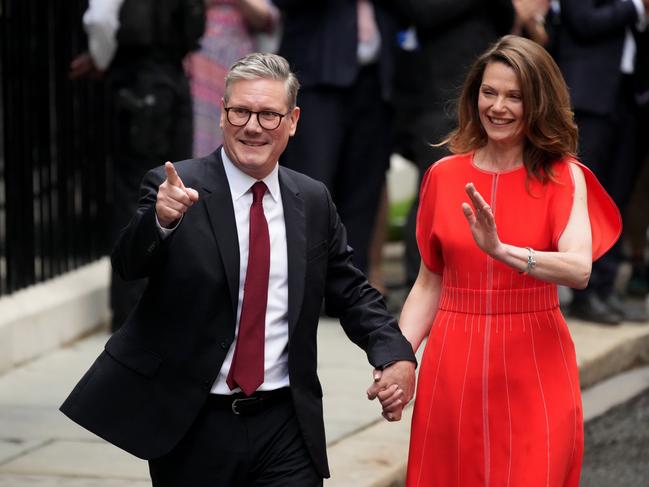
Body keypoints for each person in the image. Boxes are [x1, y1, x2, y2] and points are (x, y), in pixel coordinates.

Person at [60, 53, 416, 486]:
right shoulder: (176, 185)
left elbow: (351, 290)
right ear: (223, 114)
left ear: (293, 120)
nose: (252, 126)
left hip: (286, 422)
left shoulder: (312, 200)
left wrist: (393, 352)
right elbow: (129, 265)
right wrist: (161, 221)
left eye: (268, 114)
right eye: (240, 111)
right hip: (195, 424)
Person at [380, 36, 621, 486]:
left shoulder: (564, 176)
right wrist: (398, 356)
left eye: (515, 96)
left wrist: (504, 252)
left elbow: (579, 268)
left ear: (539, 103)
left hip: (536, 360)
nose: (499, 106)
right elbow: (429, 283)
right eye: (489, 92)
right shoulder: (442, 175)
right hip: (453, 365)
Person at [69, 0, 206, 331]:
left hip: (141, 80)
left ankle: (134, 317)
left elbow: (101, 19)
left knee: (143, 194)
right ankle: (152, 313)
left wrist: (102, 58)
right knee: (171, 190)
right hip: (171, 79)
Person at [274, 0, 400, 274]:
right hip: (317, 76)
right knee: (309, 185)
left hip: (378, 80)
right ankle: (301, 287)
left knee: (365, 189)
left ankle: (349, 290)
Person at [556, 0, 648, 324]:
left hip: (629, 97)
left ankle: (606, 289)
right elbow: (582, 21)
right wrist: (638, 7)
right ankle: (583, 292)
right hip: (589, 96)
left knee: (616, 197)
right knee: (584, 196)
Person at [187, 0, 279, 157]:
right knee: (196, 126)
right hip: (197, 57)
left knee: (238, 117)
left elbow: (268, 19)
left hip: (236, 60)